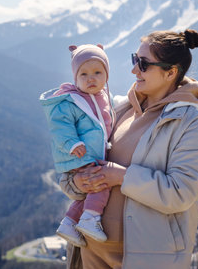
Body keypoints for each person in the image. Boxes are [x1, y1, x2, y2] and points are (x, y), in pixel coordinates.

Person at [60, 29, 198, 269]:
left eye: (143, 64)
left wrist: (120, 177)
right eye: (135, 59)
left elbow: (180, 193)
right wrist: (77, 183)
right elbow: (73, 166)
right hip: (90, 254)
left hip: (144, 260)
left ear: (170, 72)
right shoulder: (117, 110)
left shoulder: (190, 125)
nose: (134, 70)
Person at [40, 44, 116, 247]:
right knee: (101, 183)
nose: (91, 78)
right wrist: (72, 143)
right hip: (80, 154)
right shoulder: (71, 100)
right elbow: (60, 125)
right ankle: (90, 219)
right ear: (75, 77)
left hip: (91, 154)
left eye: (97, 72)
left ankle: (69, 223)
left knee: (90, 191)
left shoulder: (103, 98)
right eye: (84, 74)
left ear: (106, 75)